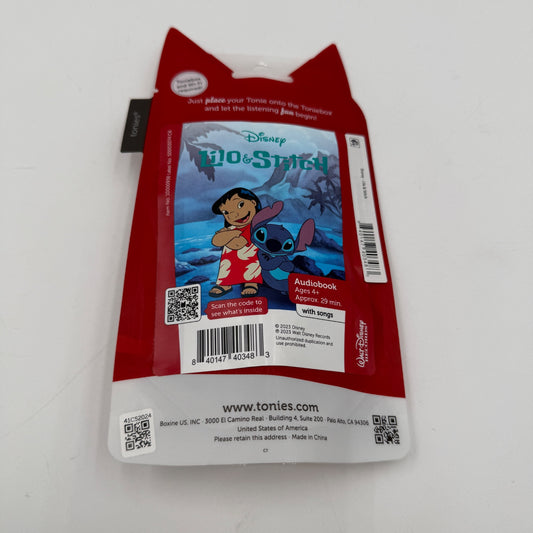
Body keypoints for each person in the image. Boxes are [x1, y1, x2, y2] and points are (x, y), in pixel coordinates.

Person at [209, 188, 263, 297]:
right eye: (226, 212)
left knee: (251, 270)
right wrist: (232, 234)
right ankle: (225, 284)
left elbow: (237, 244)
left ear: (253, 203)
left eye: (240, 205)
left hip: (249, 259)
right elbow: (215, 241)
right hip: (229, 260)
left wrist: (226, 236)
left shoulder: (253, 228)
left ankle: (251, 284)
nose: (233, 215)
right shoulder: (232, 229)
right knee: (226, 269)